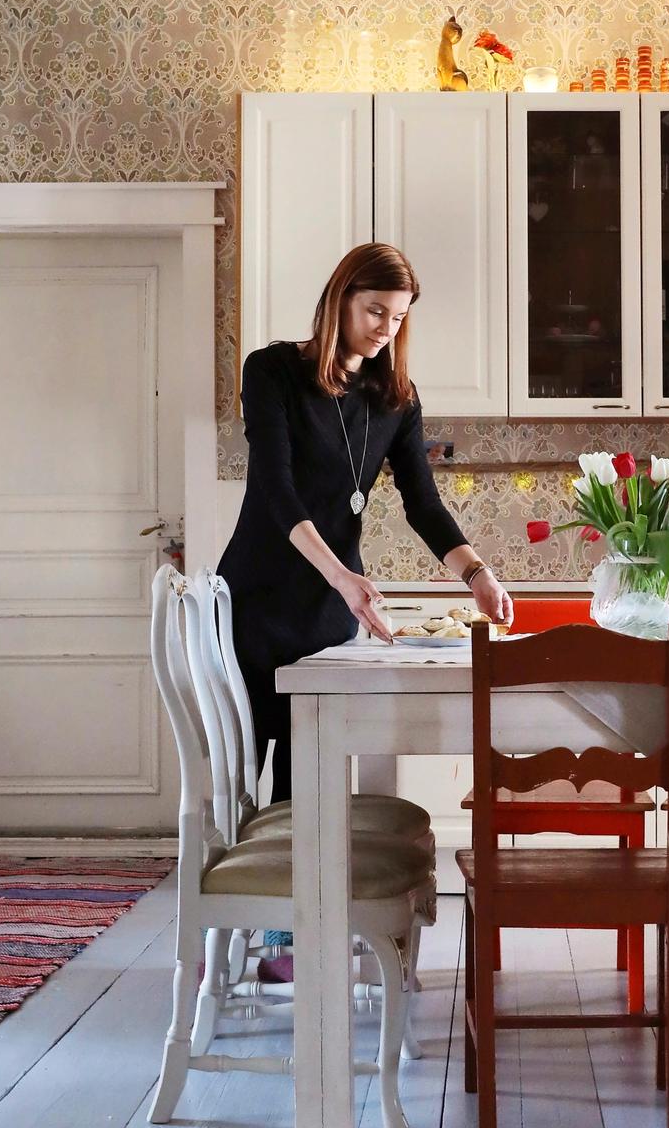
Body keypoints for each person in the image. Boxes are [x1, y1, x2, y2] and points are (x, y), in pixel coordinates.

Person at [219, 240, 513, 802]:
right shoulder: (272, 371)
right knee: (241, 766)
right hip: (258, 600)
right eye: (376, 310)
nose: (386, 327)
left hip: (329, 612)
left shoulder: (395, 398)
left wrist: (478, 576)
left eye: (399, 316)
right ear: (341, 300)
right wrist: (343, 578)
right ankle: (234, 882)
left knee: (309, 770)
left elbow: (422, 503)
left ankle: (301, 888)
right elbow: (275, 491)